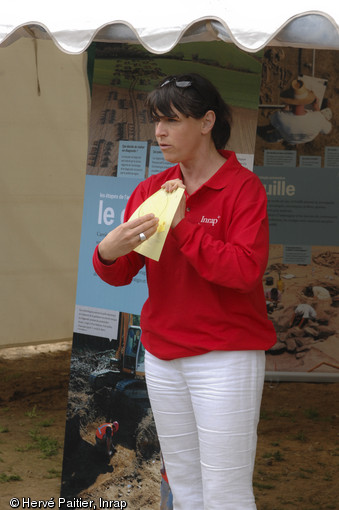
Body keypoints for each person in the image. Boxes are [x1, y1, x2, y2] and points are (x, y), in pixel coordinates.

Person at [93, 73, 277, 510]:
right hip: (162, 357)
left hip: (225, 356)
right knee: (185, 486)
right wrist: (107, 253)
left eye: (172, 120)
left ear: (207, 121)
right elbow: (121, 273)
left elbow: (244, 271)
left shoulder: (242, 189)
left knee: (226, 494)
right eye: (156, 120)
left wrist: (183, 225)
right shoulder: (151, 190)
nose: (159, 132)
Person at [268, 78, 332, 145]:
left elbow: (272, 122)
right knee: (328, 113)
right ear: (307, 99)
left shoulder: (279, 116)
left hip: (288, 138)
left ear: (289, 100)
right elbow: (328, 130)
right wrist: (316, 108)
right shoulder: (318, 118)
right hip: (307, 139)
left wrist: (284, 111)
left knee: (278, 133)